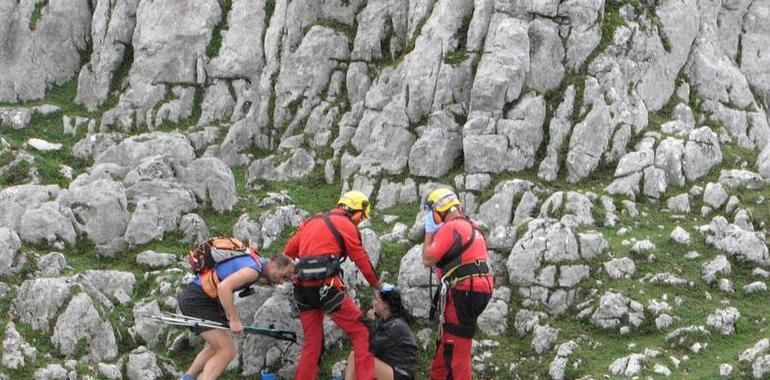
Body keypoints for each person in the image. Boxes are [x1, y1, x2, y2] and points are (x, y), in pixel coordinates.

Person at [285, 190, 382, 380]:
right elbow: (361, 258)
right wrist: (376, 283)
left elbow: (288, 250)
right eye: (360, 217)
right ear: (355, 210)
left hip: (302, 290)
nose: (359, 221)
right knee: (363, 331)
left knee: (313, 343)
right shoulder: (346, 225)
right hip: (326, 288)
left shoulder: (312, 222)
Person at [177, 242, 295, 380]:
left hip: (203, 297)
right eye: (284, 276)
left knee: (219, 345)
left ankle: (187, 378)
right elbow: (223, 288)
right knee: (227, 350)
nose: (281, 282)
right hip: (199, 300)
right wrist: (234, 319)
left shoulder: (255, 261)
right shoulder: (253, 270)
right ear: (275, 264)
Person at [422, 188, 494, 380]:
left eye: (433, 213)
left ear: (440, 209)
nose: (433, 217)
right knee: (446, 346)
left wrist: (430, 231)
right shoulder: (473, 226)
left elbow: (428, 258)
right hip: (479, 289)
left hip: (465, 291)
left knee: (456, 348)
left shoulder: (451, 227)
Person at [344, 284, 418, 380]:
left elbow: (372, 346)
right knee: (356, 358)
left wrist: (369, 323)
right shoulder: (391, 323)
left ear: (385, 305)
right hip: (394, 369)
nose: (373, 303)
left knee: (355, 357)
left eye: (376, 299)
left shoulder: (396, 325)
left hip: (401, 374)